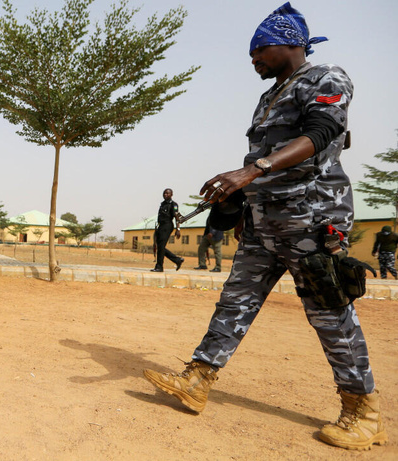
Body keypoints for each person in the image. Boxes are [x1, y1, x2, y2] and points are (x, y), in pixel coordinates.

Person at [143, 3, 386, 451]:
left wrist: (251, 171)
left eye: (259, 50)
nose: (253, 59)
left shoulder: (326, 76)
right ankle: (198, 378)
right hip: (263, 222)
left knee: (329, 313)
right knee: (234, 302)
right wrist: (238, 201)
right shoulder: (269, 95)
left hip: (312, 220)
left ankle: (362, 409)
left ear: (290, 43)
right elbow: (261, 157)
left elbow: (321, 133)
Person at [151, 188, 184, 272]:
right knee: (160, 247)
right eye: (164, 193)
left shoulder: (174, 205)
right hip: (160, 226)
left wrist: (178, 229)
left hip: (167, 226)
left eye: (167, 193)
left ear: (171, 195)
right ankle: (177, 260)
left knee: (161, 247)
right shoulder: (162, 204)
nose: (165, 194)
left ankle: (159, 267)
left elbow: (177, 217)